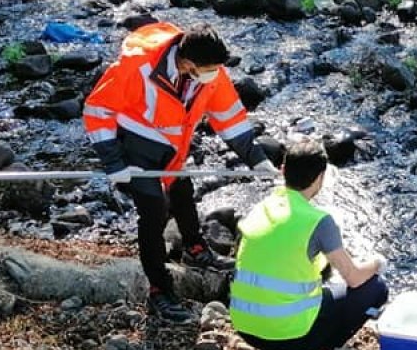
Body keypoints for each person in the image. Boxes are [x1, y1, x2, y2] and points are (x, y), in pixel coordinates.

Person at [83, 19, 276, 325]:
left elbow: (229, 117)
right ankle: (160, 290)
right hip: (135, 147)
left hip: (173, 149)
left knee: (183, 190)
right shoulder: (138, 67)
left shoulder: (209, 71)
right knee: (154, 212)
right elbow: (97, 110)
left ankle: (196, 248)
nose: (216, 75)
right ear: (187, 62)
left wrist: (257, 158)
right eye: (211, 69)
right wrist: (114, 163)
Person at [229, 138, 389, 350]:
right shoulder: (318, 221)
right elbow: (355, 278)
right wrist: (377, 262)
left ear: (283, 171)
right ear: (320, 177)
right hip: (284, 332)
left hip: (245, 326)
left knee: (318, 272)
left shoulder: (262, 207)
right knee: (376, 289)